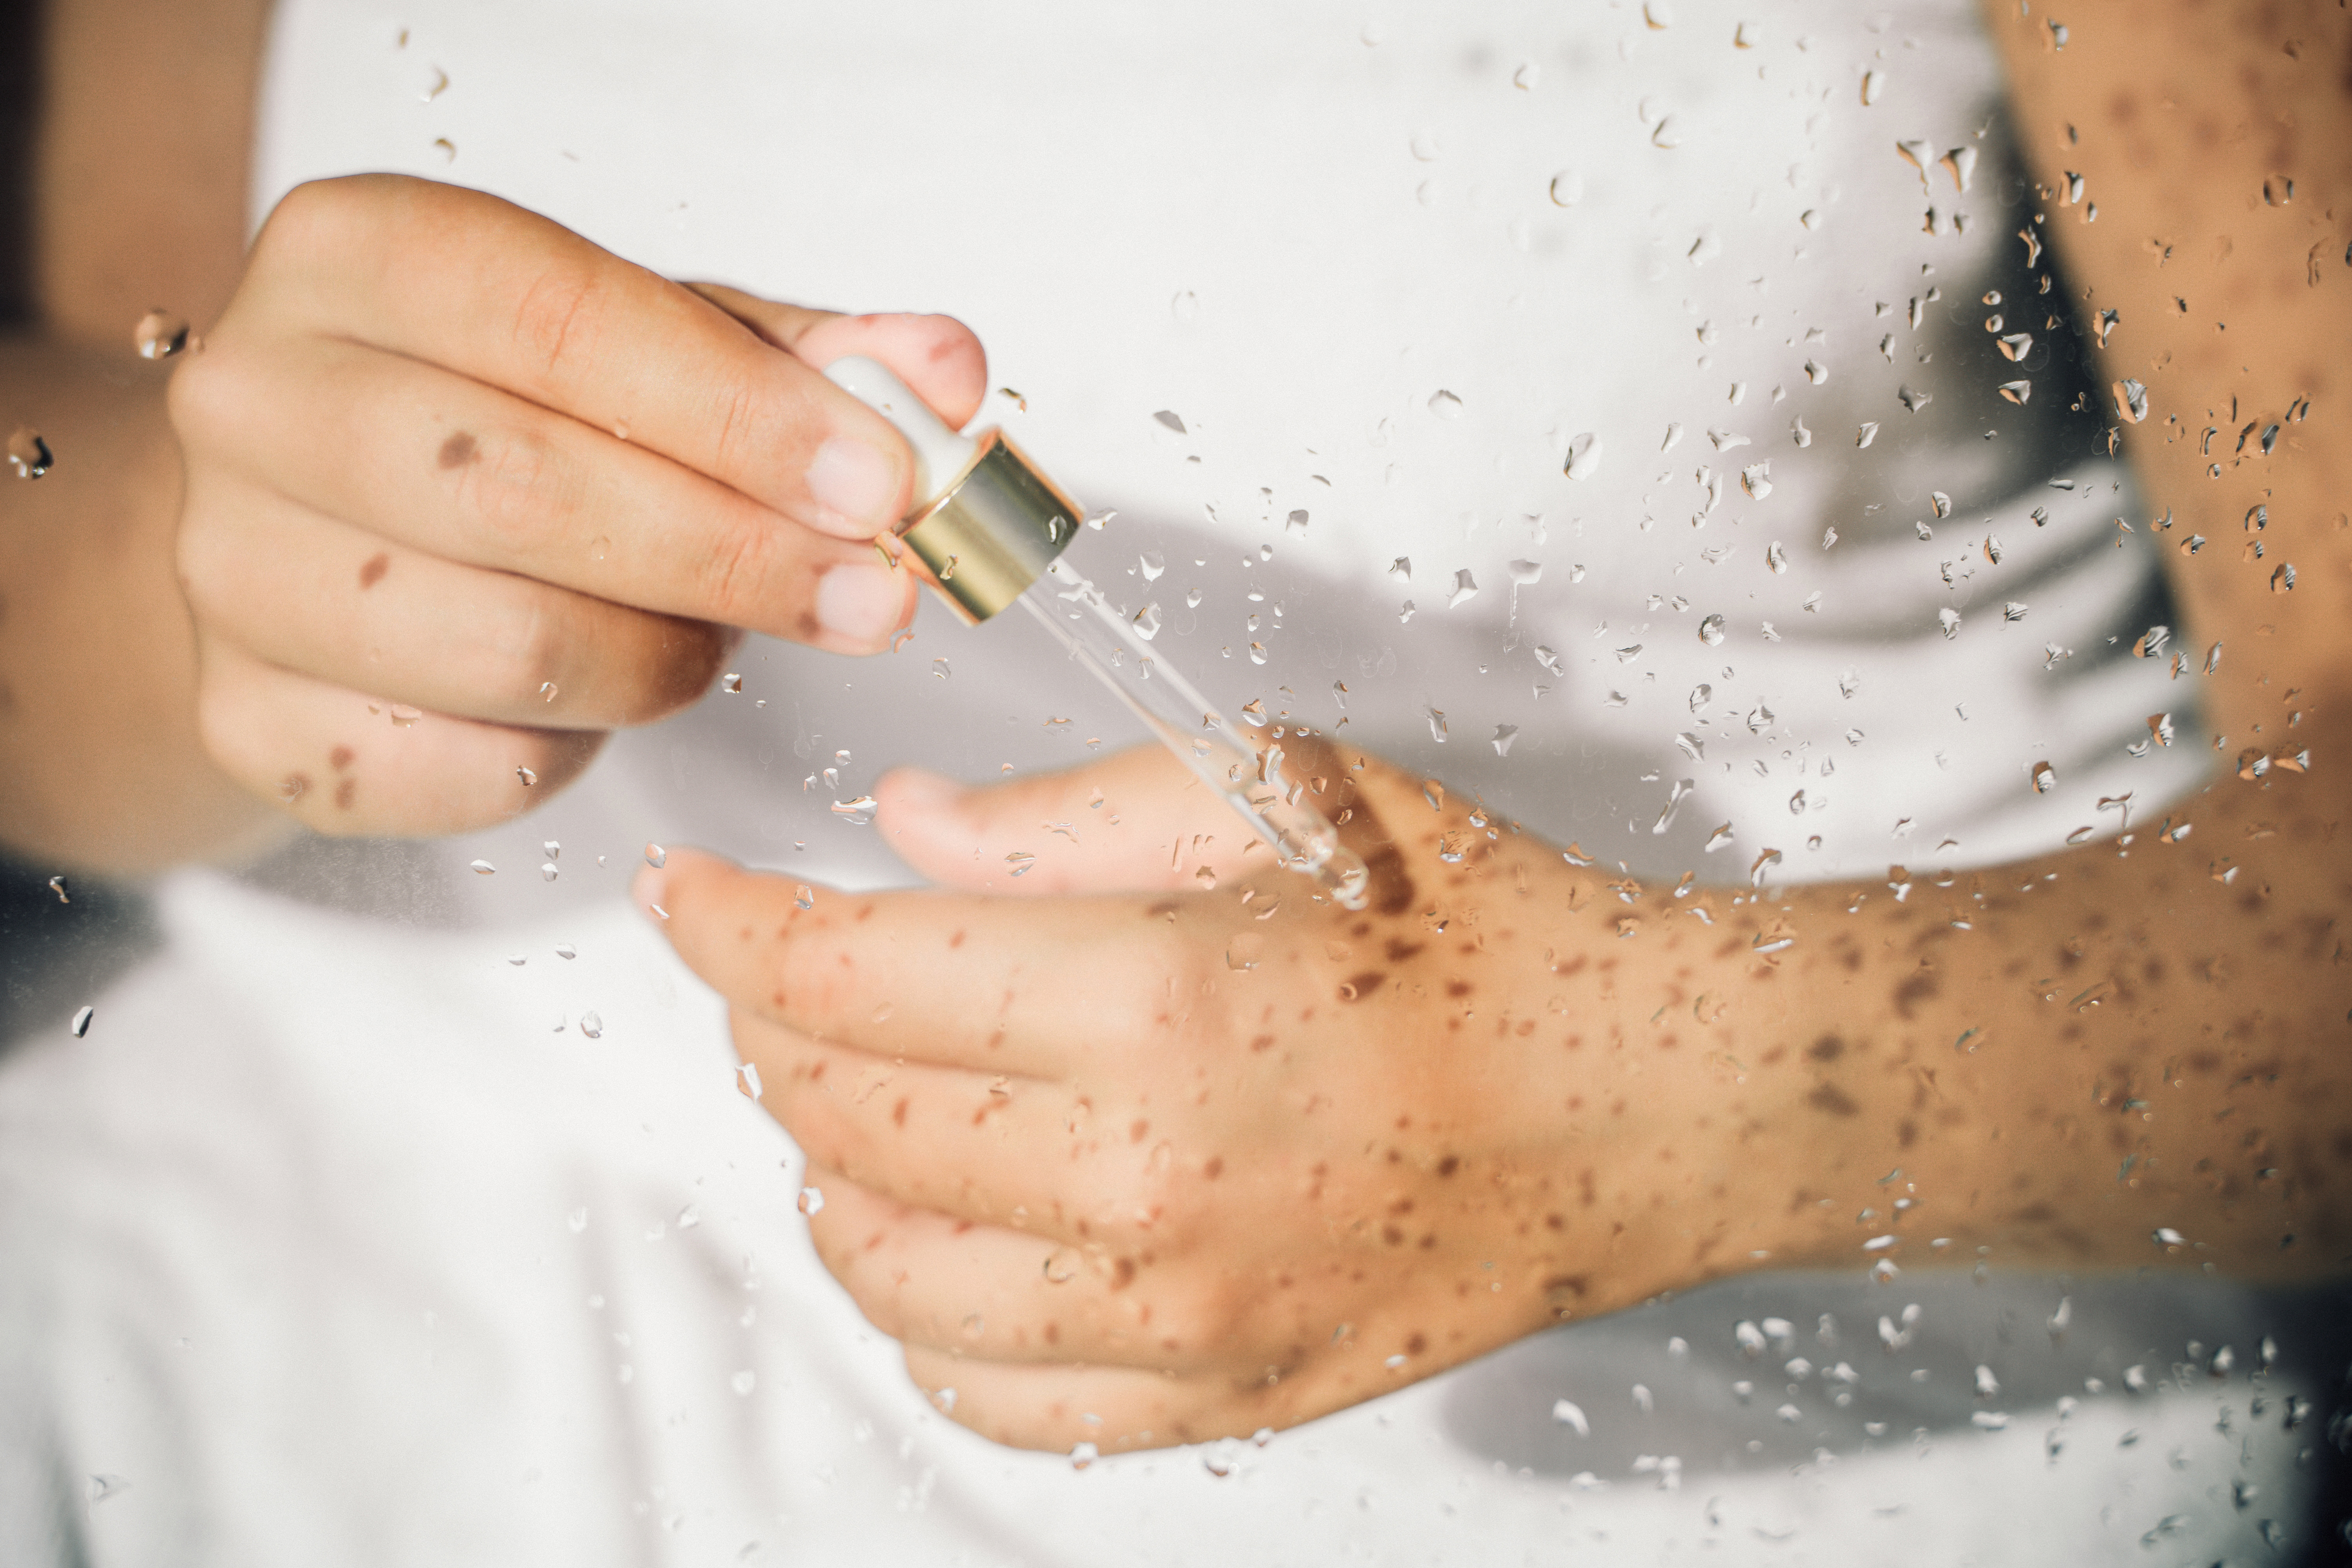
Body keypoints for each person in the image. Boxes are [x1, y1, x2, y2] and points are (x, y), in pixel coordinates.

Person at [2, 0, 2347, 1560]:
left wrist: (1659, 1086)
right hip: (357, 1224)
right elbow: (87, 455)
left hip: (1672, 1424)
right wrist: (219, 580)